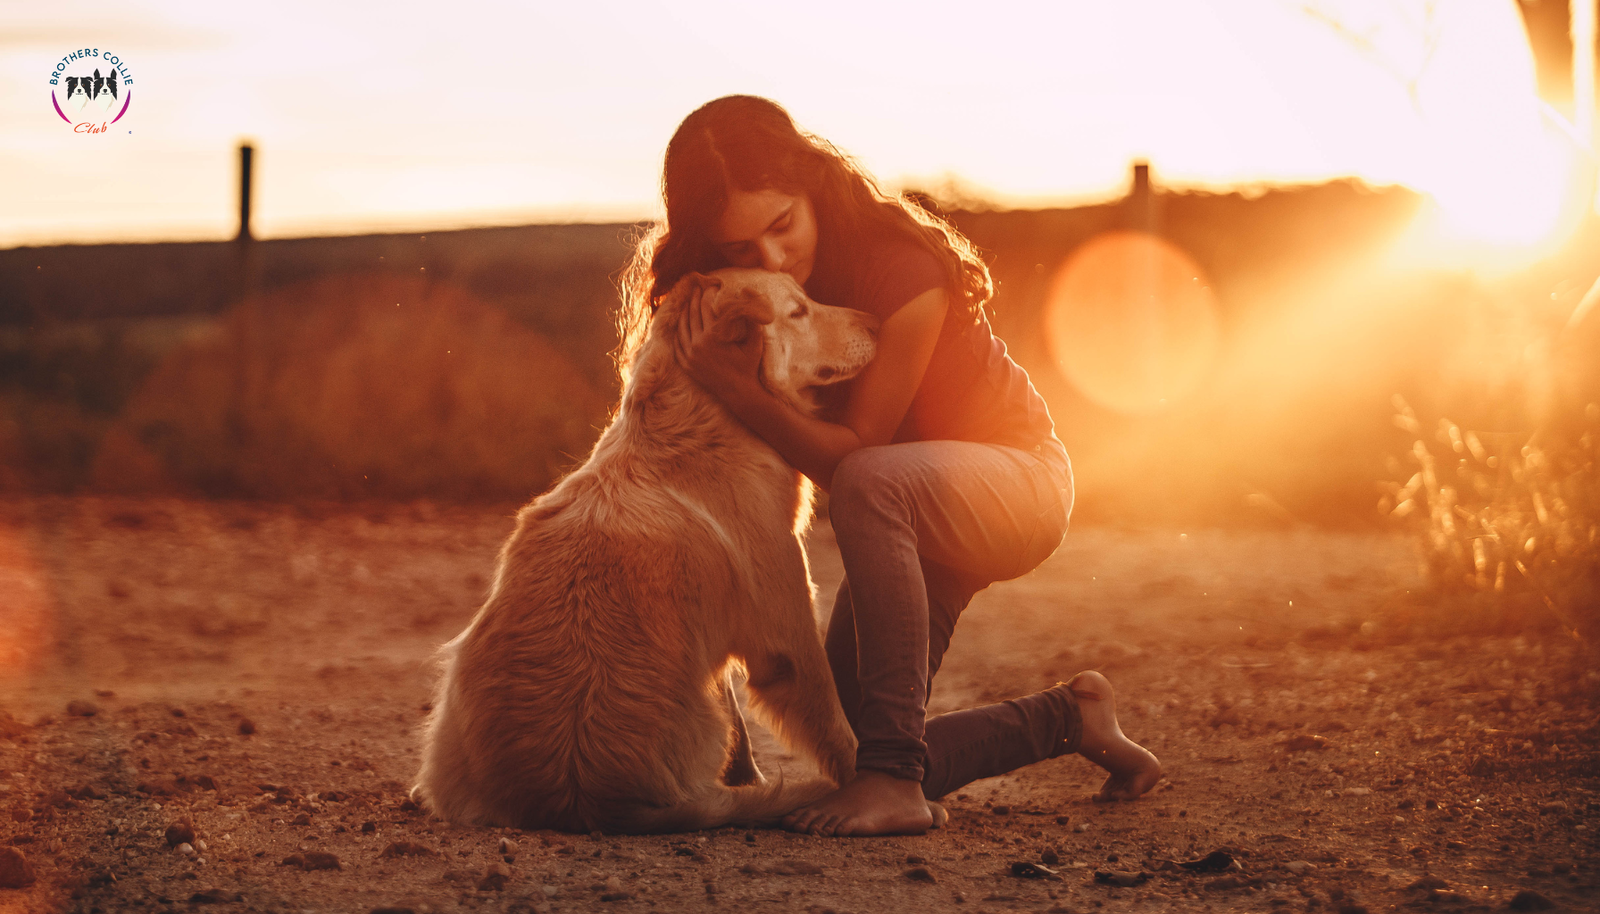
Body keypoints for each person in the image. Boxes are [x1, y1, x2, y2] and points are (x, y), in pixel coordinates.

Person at [618, 95, 1162, 837]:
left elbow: (855, 457)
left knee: (873, 480)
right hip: (910, 507)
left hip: (1016, 483)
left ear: (812, 183)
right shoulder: (736, 296)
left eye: (782, 225)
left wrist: (735, 389)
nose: (773, 259)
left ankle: (895, 788)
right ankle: (1071, 719)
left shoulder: (900, 270)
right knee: (849, 745)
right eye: (742, 249)